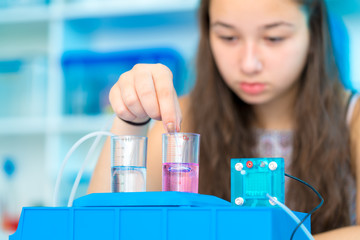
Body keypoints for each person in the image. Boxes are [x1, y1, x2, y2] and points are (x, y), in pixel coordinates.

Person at [88, 0, 360, 238]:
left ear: (314, 33)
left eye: (274, 38)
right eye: (228, 37)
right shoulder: (179, 120)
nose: (249, 64)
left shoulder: (354, 118)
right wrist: (130, 121)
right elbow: (97, 229)